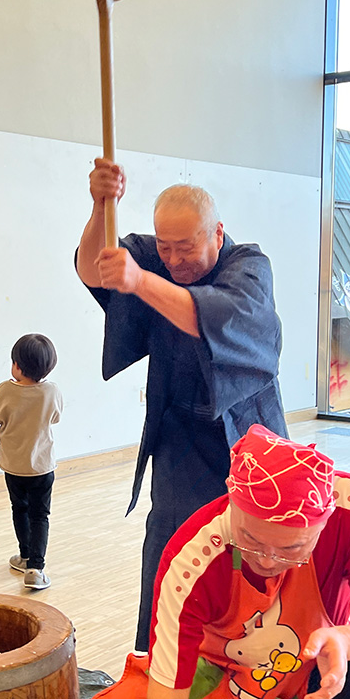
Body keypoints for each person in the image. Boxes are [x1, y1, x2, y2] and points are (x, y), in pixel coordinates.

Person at [80, 424, 350, 699]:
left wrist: (347, 639)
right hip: (212, 678)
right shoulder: (192, 557)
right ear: (231, 500)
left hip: (305, 677)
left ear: (323, 525)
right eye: (250, 539)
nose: (267, 560)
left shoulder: (348, 506)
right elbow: (170, 687)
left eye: (292, 549)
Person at [77, 158, 288, 650]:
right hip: (177, 437)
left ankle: (249, 672)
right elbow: (94, 268)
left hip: (251, 438)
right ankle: (161, 669)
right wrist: (99, 205)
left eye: (186, 246)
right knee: (174, 556)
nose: (173, 260)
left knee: (254, 558)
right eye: (164, 247)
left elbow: (215, 319)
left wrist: (140, 283)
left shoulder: (250, 266)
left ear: (217, 231)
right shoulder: (153, 257)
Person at [0, 333, 63, 590]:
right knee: (40, 515)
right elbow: (56, 418)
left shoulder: (6, 390)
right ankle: (36, 569)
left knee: (19, 509)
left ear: (17, 366)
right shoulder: (51, 391)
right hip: (42, 466)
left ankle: (25, 555)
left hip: (14, 465)